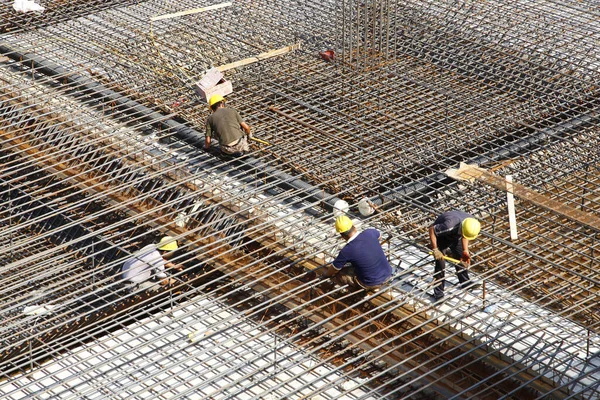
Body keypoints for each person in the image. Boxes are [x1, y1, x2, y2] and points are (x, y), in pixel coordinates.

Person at [322, 215, 393, 291]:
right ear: (354, 226)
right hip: (388, 274)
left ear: (342, 236)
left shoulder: (347, 250)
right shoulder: (370, 232)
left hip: (370, 283)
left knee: (339, 274)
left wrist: (326, 275)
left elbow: (334, 269)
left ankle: (354, 292)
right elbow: (379, 237)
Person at [428, 210, 481, 301]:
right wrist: (435, 249)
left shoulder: (471, 223)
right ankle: (438, 293)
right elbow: (431, 229)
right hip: (441, 236)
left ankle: (465, 282)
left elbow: (465, 235)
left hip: (456, 233)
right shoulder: (449, 225)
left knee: (461, 257)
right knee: (440, 264)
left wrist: (465, 250)